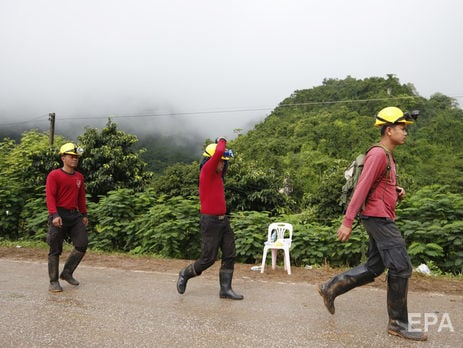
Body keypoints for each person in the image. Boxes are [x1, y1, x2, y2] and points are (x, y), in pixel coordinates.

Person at [317, 106, 427, 341]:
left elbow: (379, 188)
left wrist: (396, 192)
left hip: (380, 215)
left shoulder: (388, 156)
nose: (405, 132)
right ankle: (398, 323)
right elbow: (362, 188)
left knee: (375, 267)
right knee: (400, 266)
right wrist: (347, 222)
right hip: (377, 218)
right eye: (402, 128)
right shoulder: (378, 154)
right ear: (389, 130)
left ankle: (331, 288)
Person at [176, 137, 243, 300]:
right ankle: (185, 273)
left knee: (230, 254)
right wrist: (221, 140)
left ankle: (225, 290)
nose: (222, 164)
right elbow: (219, 151)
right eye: (220, 161)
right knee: (208, 259)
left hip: (223, 220)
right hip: (210, 221)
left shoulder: (219, 177)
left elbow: (223, 154)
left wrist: (225, 152)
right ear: (211, 160)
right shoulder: (206, 171)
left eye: (223, 162)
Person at [45, 142, 88, 292]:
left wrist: (83, 214)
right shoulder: (54, 175)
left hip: (74, 215)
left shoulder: (79, 177)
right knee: (55, 248)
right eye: (71, 156)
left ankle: (67, 272)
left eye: (76, 157)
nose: (75, 159)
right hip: (59, 214)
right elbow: (50, 196)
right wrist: (54, 214)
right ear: (63, 158)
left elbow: (81, 197)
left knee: (82, 244)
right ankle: (53, 281)